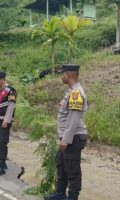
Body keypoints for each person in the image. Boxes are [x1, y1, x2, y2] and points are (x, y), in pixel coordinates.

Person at [44, 64, 88, 200]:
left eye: (62, 74)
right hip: (69, 136)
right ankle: (60, 194)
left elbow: (73, 119)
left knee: (72, 169)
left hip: (73, 138)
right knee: (61, 164)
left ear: (67, 75)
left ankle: (72, 197)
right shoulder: (71, 91)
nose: (61, 76)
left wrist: (65, 140)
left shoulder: (76, 93)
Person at [0, 71, 16, 176]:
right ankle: (1, 162)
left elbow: (11, 105)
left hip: (4, 120)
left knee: (2, 142)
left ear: (2, 79)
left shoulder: (10, 91)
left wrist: (7, 120)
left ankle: (2, 164)